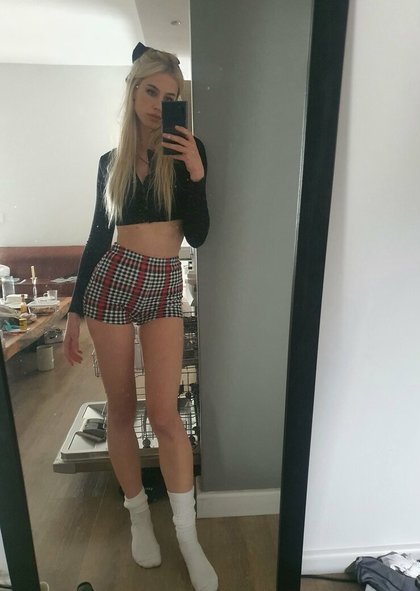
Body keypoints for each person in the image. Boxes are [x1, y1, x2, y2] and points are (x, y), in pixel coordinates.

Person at [63, 42, 218, 591]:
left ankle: (187, 536)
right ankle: (137, 517)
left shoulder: (188, 151)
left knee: (166, 416)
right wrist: (74, 312)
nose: (157, 104)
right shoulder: (111, 163)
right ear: (132, 92)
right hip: (112, 279)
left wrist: (196, 173)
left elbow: (198, 236)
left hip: (163, 283)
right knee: (122, 411)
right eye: (150, 91)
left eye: (169, 96)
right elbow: (96, 237)